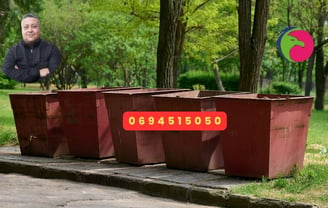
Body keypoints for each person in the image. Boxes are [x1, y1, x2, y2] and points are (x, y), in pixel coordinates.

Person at [2, 13, 61, 83]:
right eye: (26, 27)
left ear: (39, 29)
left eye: (34, 26)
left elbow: (52, 72)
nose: (30, 30)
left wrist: (20, 72)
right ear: (22, 30)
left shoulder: (52, 49)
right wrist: (38, 72)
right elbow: (7, 70)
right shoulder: (13, 51)